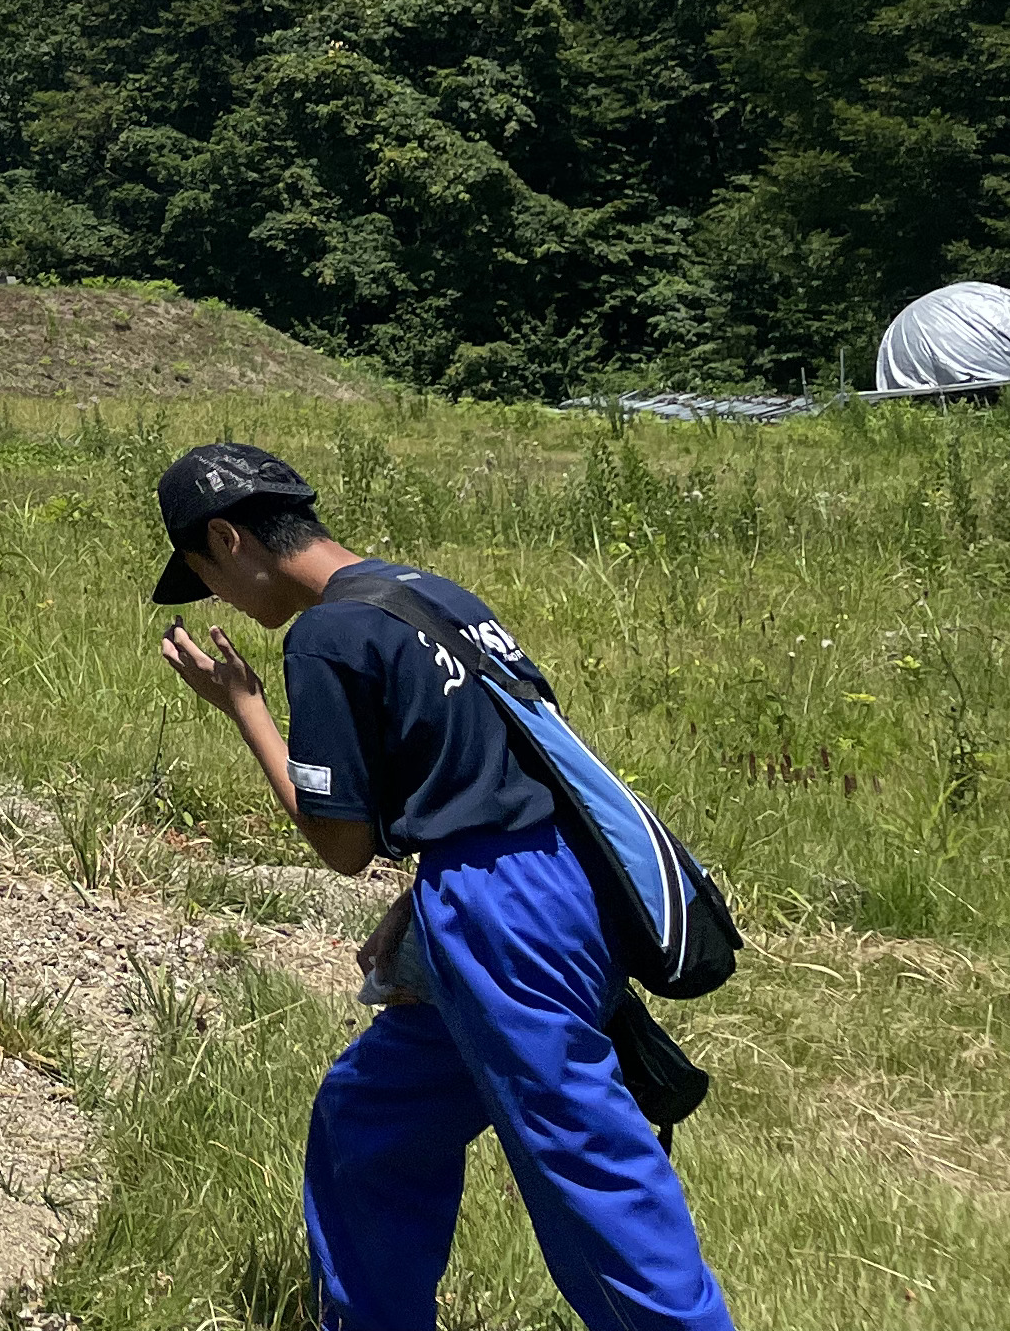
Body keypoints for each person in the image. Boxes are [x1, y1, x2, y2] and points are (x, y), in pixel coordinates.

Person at [152, 443, 740, 1331]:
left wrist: (244, 706)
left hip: (503, 913)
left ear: (228, 539)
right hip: (554, 876)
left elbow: (340, 844)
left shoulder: (328, 636)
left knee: (589, 1169)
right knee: (372, 1123)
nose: (220, 601)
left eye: (206, 578)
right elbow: (506, 766)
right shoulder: (430, 595)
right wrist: (420, 901)